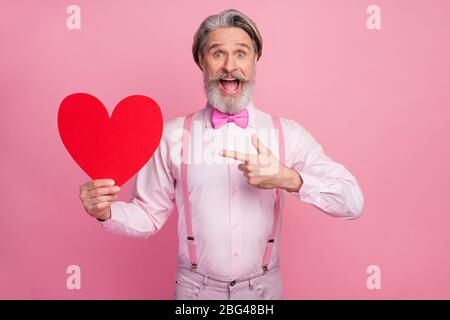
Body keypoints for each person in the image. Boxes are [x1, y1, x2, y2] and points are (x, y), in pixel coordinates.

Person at [78, 9, 364, 300]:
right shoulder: (172, 135)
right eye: (217, 54)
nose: (230, 66)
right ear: (202, 61)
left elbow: (352, 202)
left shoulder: (287, 134)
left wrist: (289, 178)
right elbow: (147, 215)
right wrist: (106, 212)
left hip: (264, 292)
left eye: (241, 53)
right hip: (194, 292)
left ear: (255, 60)